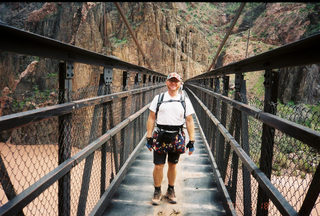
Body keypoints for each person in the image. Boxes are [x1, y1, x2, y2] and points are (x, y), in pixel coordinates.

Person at [146, 72, 195, 205]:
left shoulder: (184, 100)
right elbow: (151, 117)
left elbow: (189, 121)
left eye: (176, 81)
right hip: (160, 135)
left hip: (177, 136)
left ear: (180, 84)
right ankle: (157, 191)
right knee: (158, 166)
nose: (173, 83)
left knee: (173, 165)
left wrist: (192, 140)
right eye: (171, 81)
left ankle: (170, 190)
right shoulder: (159, 98)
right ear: (167, 82)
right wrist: (149, 136)